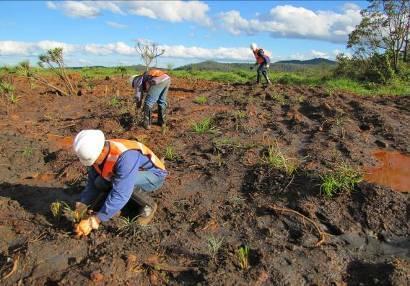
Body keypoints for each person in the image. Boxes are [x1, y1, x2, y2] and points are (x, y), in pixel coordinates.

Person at [72, 129, 167, 237]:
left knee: (120, 184)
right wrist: (82, 204)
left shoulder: (126, 157)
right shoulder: (96, 152)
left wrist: (95, 220)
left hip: (153, 176)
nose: (92, 163)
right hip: (125, 175)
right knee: (99, 182)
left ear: (102, 151)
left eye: (93, 160)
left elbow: (121, 193)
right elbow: (92, 184)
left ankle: (148, 206)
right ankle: (115, 205)